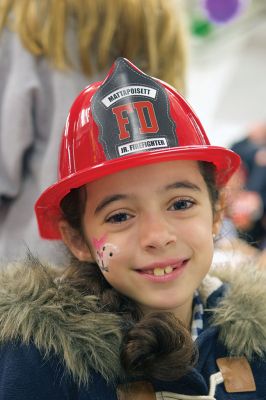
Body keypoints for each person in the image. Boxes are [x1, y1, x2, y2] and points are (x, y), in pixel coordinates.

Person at [0, 58, 266, 399]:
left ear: (216, 212)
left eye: (181, 204)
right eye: (120, 216)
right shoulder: (38, 359)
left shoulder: (257, 340)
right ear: (78, 239)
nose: (157, 236)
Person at [0, 0, 187, 264]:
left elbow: (5, 166)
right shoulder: (161, 15)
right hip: (136, 257)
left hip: (35, 263)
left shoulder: (28, 16)